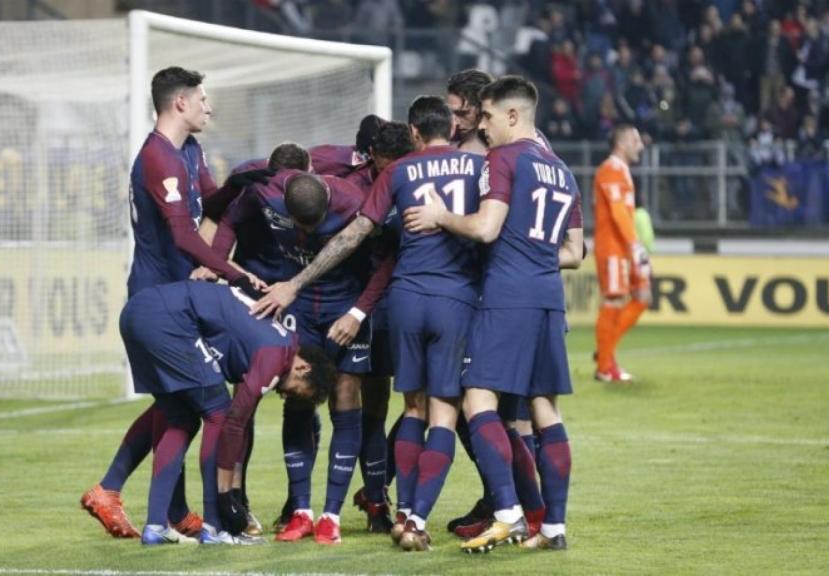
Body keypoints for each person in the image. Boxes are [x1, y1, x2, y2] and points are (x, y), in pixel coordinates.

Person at [248, 96, 484, 551]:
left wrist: (295, 283)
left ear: (415, 132)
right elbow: (494, 226)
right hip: (455, 299)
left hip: (402, 301)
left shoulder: (396, 174)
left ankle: (372, 504)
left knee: (408, 407)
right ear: (449, 128)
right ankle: (414, 517)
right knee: (446, 412)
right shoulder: (477, 167)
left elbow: (357, 232)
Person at [80, 66, 266, 541]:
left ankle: (160, 507)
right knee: (189, 404)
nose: (209, 106)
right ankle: (125, 494)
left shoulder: (189, 149)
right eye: (202, 98)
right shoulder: (157, 157)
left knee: (178, 405)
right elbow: (183, 235)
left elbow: (212, 200)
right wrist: (234, 271)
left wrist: (250, 180)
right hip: (155, 296)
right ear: (179, 103)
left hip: (178, 297)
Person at [403, 75, 583, 553]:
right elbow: (574, 250)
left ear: (512, 115)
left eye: (485, 116)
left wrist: (441, 216)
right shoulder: (561, 169)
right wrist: (531, 251)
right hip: (548, 296)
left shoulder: (505, 158)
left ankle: (507, 514)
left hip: (507, 296)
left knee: (476, 402)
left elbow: (485, 229)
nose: (480, 126)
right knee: (545, 409)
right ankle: (554, 528)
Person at [213, 166, 403, 545]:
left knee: (346, 397)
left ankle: (331, 516)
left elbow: (389, 257)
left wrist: (359, 311)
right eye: (297, 227)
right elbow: (232, 210)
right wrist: (216, 259)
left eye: (312, 228)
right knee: (296, 398)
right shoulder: (267, 194)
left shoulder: (355, 205)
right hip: (297, 310)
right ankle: (300, 510)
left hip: (345, 310)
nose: (303, 236)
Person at [120, 281, 334, 544]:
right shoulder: (275, 356)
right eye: (297, 392)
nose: (285, 395)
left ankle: (155, 526)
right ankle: (214, 529)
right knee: (219, 413)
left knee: (180, 418)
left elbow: (242, 425)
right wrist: (225, 496)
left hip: (137, 311)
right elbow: (233, 424)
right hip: (166, 319)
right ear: (304, 369)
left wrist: (232, 487)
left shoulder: (281, 340)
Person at [593, 124, 650, 383]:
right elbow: (617, 213)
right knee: (614, 301)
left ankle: (605, 351)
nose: (640, 145)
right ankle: (605, 366)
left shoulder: (623, 171)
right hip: (613, 248)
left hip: (624, 247)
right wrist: (634, 245)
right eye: (636, 140)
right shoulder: (611, 170)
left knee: (642, 295)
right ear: (622, 142)